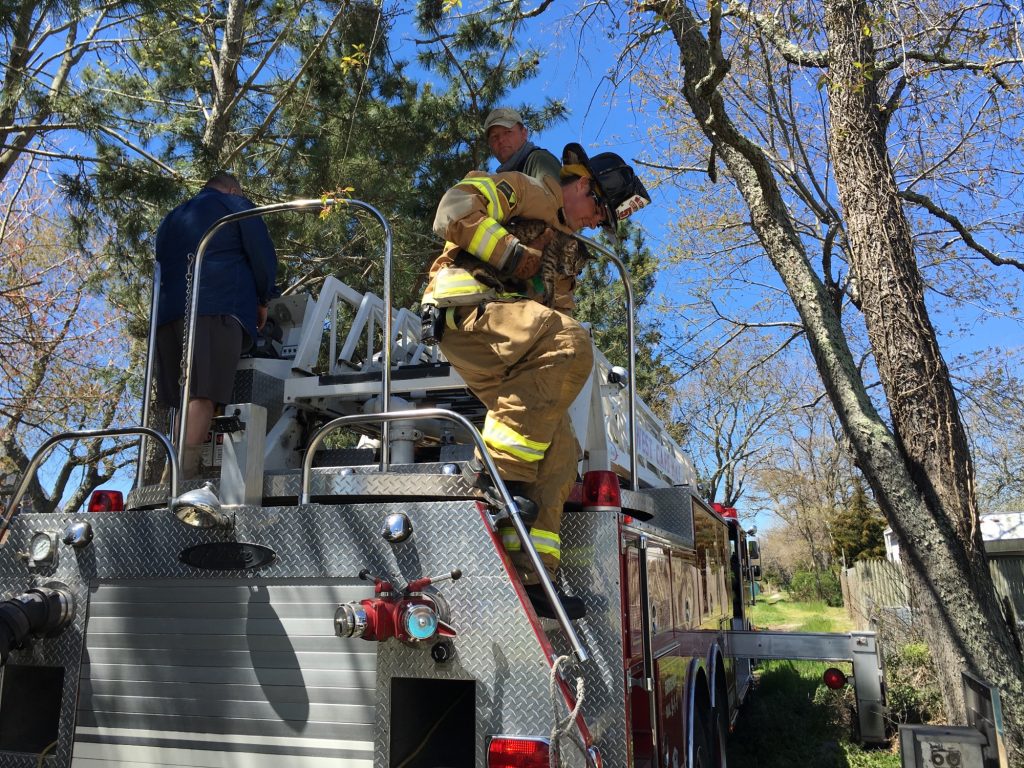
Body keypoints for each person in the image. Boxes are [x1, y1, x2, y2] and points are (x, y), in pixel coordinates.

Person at [421, 144, 650, 619]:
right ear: (583, 185)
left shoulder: (568, 251)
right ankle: (500, 482)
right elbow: (452, 211)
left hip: (512, 337)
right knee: (571, 341)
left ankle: (532, 576)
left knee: (560, 449)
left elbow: (558, 322)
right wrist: (509, 253)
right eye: (598, 213)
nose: (595, 225)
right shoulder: (527, 191)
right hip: (467, 310)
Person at [154, 172, 278, 480]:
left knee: (183, 398)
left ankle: (173, 463)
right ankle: (181, 474)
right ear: (233, 188)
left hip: (167, 315)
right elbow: (262, 257)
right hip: (217, 306)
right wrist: (263, 299)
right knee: (202, 394)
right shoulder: (235, 205)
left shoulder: (171, 218)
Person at [484, 107, 561, 182]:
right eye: (494, 136)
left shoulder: (540, 160)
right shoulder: (498, 180)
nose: (501, 140)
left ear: (524, 133)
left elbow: (555, 194)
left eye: (507, 132)